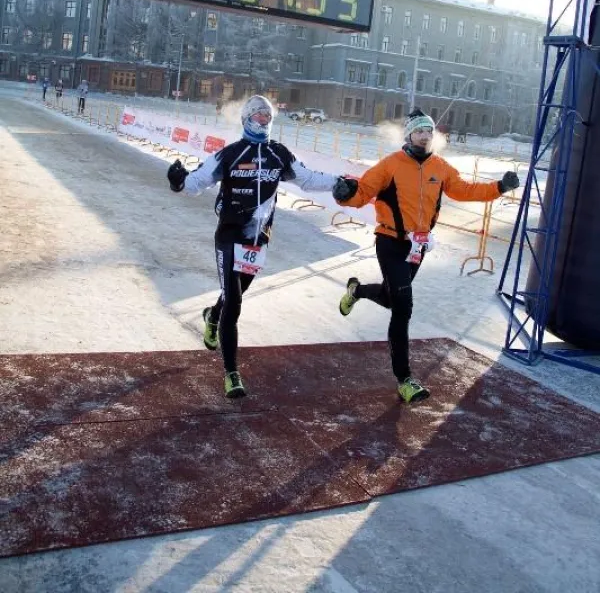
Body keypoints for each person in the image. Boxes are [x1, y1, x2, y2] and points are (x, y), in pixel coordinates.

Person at [167, 95, 354, 399]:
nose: (263, 120)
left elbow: (307, 179)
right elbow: (197, 181)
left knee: (235, 294)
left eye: (268, 116)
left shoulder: (278, 154)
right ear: (245, 119)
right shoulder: (230, 153)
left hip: (258, 240)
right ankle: (231, 373)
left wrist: (338, 182)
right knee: (236, 303)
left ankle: (212, 316)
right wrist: (179, 182)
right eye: (257, 115)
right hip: (229, 235)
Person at [332, 108, 520, 404]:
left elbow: (465, 190)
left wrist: (499, 187)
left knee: (391, 296)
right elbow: (363, 192)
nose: (425, 136)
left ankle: (356, 291)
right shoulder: (390, 165)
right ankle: (404, 378)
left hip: (417, 247)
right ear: (408, 135)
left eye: (429, 131)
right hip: (390, 241)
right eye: (419, 131)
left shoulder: (440, 167)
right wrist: (344, 193)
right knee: (403, 307)